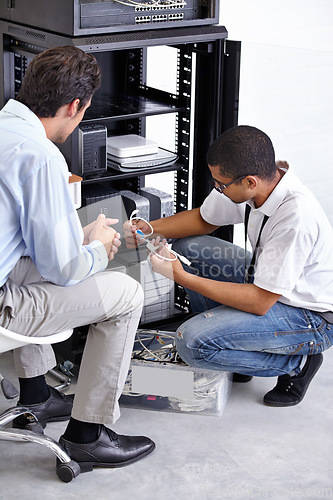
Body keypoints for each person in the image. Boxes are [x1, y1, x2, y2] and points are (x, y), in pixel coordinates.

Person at [0, 46, 155, 471]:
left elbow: (19, 237)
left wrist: (81, 237)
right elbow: (63, 269)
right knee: (126, 293)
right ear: (75, 106)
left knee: (31, 265)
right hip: (2, 307)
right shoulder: (42, 155)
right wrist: (99, 251)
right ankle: (88, 436)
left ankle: (37, 394)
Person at [125, 125, 333, 407]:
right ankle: (230, 344)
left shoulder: (295, 219)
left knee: (190, 343)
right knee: (190, 246)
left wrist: (181, 276)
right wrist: (149, 229)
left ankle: (297, 364)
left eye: (221, 185)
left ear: (249, 182)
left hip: (308, 315)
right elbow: (204, 219)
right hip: (270, 283)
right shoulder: (262, 184)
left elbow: (260, 302)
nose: (217, 189)